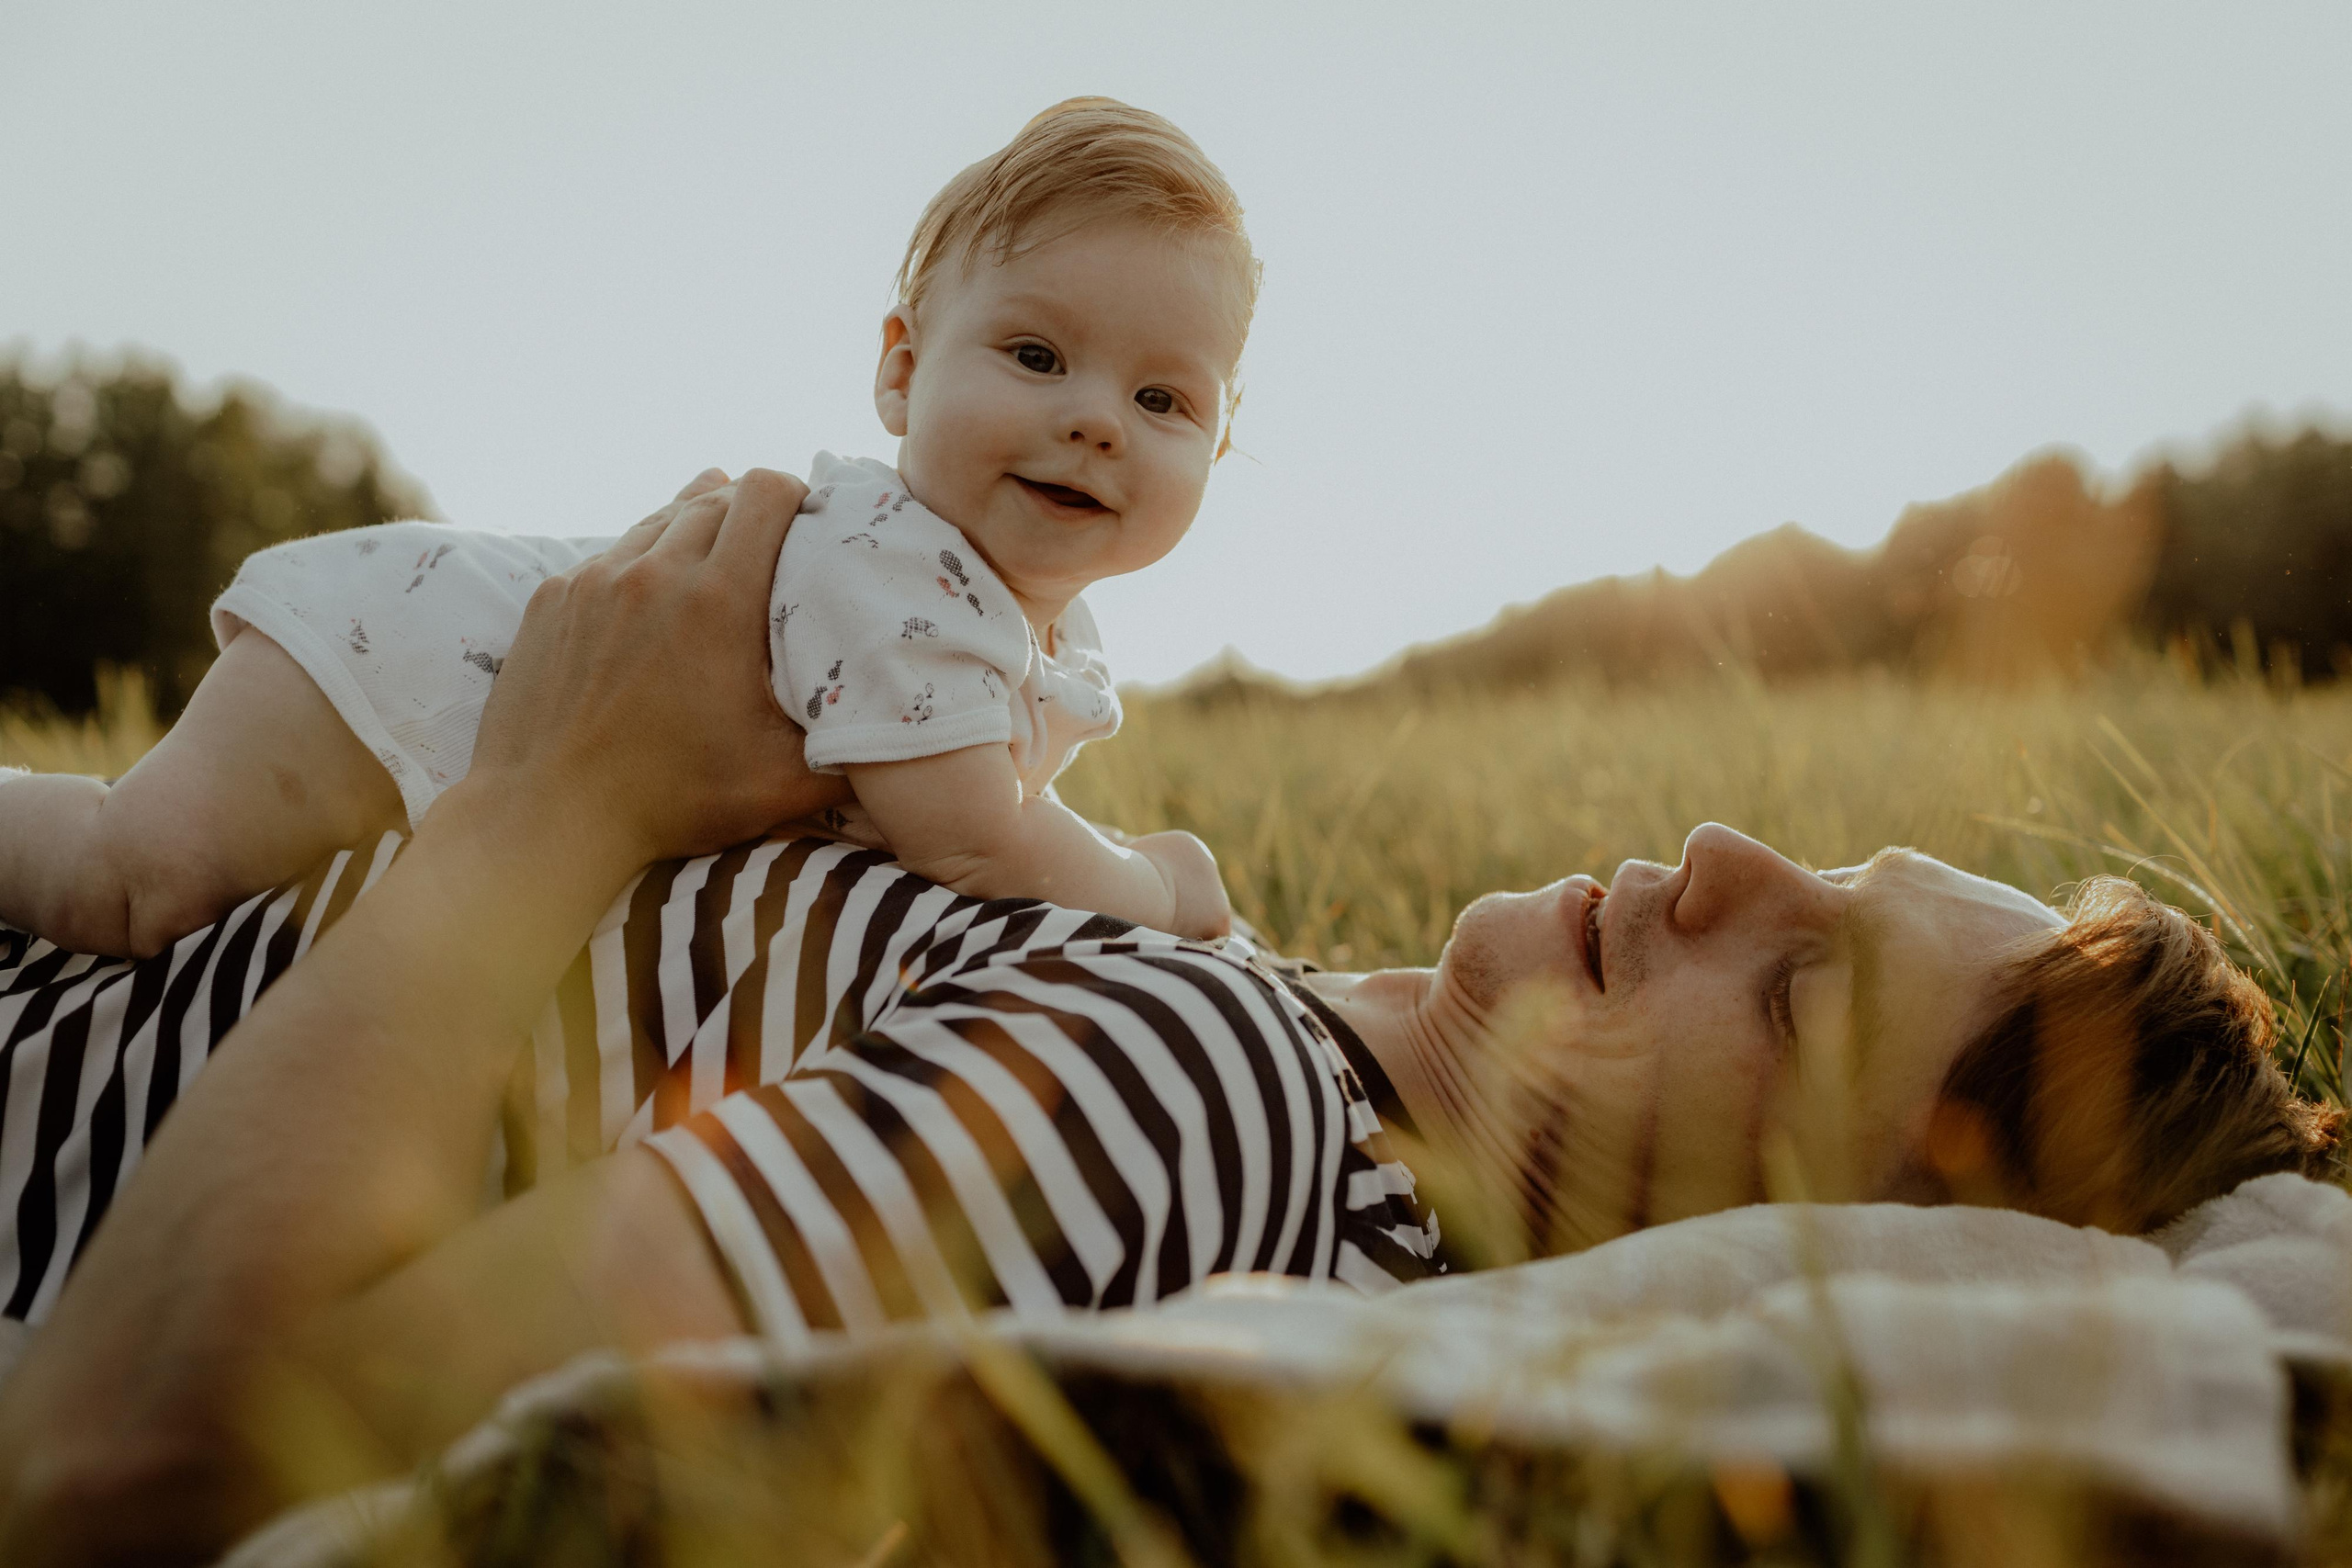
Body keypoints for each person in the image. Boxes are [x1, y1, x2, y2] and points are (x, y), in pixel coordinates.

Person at [0, 474, 2333, 1563]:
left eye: (1802, 974)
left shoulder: (1192, 1095)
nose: (1720, 861)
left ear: (1824, 1247)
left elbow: (130, 1467)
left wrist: (550, 803)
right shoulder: (1211, 983)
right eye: (1816, 871)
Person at [0, 96, 1249, 962]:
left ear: (1222, 445)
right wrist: (1160, 880)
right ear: (903, 372)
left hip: (476, 754)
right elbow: (976, 840)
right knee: (132, 880)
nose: (1096, 422)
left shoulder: (1034, 626)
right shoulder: (898, 569)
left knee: (246, 943)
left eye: (1161, 400)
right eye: (1036, 355)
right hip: (391, 674)